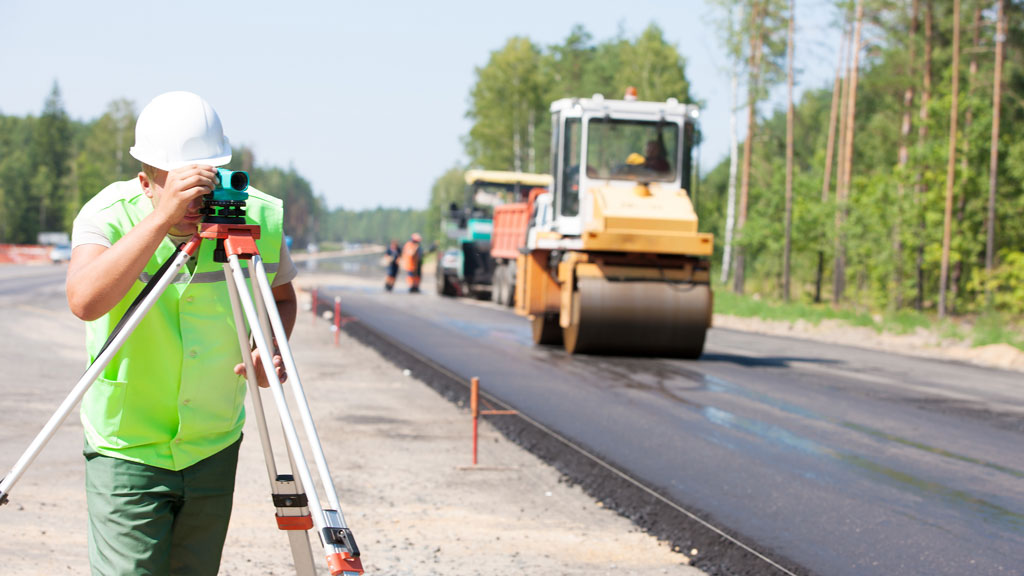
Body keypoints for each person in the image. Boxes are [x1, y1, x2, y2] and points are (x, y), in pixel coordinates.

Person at [66, 91, 298, 576]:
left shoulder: (256, 216)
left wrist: (268, 349)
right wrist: (162, 219)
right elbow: (85, 301)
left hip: (212, 439)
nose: (197, 199)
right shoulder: (108, 214)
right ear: (145, 180)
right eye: (180, 184)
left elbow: (280, 297)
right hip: (127, 444)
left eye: (205, 179)